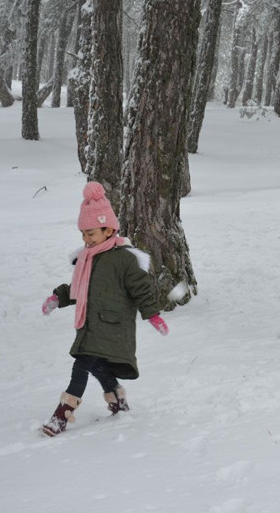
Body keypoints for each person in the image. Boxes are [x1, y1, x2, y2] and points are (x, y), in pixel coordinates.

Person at [39, 182, 169, 437]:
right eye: (83, 234)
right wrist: (58, 297)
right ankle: (118, 401)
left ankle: (61, 415)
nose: (87, 239)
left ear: (109, 229)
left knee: (81, 365)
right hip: (90, 324)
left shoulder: (124, 259)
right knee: (96, 366)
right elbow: (79, 288)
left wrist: (152, 314)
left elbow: (141, 288)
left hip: (112, 325)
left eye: (92, 233)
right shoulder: (87, 259)